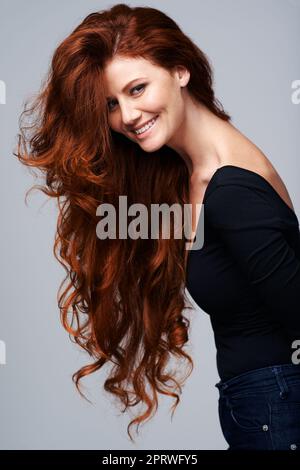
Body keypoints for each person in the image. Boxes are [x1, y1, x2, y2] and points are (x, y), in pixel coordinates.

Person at [15, 3, 300, 449]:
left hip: (277, 407)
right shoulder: (195, 175)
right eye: (111, 103)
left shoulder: (230, 188)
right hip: (263, 405)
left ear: (180, 71)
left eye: (137, 88)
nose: (127, 115)